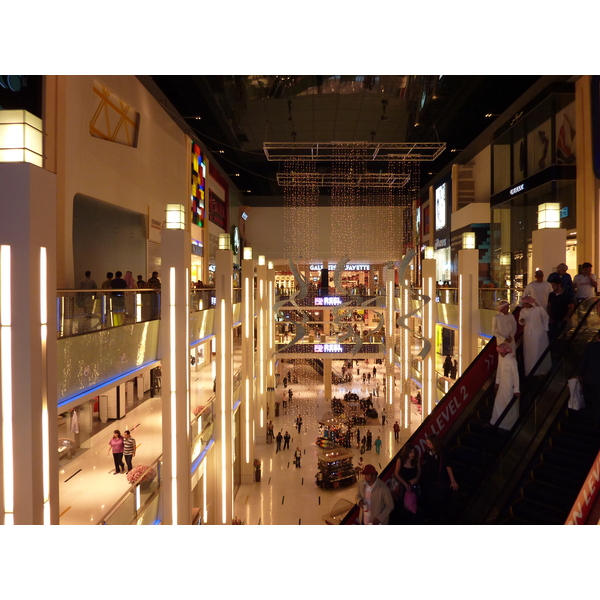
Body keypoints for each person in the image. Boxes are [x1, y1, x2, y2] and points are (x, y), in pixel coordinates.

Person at [419, 434, 458, 523]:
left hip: (435, 480)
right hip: (426, 479)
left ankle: (432, 518)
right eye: (427, 443)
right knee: (426, 499)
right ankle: (427, 516)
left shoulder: (442, 453)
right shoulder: (428, 452)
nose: (427, 445)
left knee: (433, 500)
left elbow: (448, 466)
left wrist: (452, 480)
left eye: (429, 443)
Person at [490, 342, 520, 430]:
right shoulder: (502, 359)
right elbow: (499, 370)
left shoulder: (512, 360)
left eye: (501, 352)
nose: (500, 353)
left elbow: (516, 376)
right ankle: (495, 422)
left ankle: (509, 425)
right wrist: (497, 382)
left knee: (509, 406)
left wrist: (516, 390)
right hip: (502, 387)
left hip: (510, 388)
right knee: (499, 404)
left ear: (504, 352)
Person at [519, 295, 551, 376]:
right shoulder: (523, 311)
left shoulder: (539, 309)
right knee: (528, 352)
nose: (525, 305)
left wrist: (544, 328)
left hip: (539, 333)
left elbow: (545, 317)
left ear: (530, 303)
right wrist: (522, 321)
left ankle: (541, 370)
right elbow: (521, 321)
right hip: (528, 335)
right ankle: (530, 372)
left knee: (538, 351)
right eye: (524, 304)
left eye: (526, 303)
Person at [547, 274, 575, 340]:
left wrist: (567, 316)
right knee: (551, 334)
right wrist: (549, 316)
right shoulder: (551, 295)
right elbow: (549, 306)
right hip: (553, 318)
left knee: (561, 335)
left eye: (554, 285)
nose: (552, 287)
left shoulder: (566, 295)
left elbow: (571, 306)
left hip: (561, 318)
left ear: (559, 285)